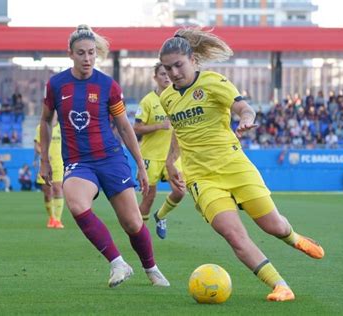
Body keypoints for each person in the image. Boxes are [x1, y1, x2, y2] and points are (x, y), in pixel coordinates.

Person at [159, 28, 325, 302]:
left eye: (179, 65)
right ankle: (280, 285)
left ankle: (294, 238)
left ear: (193, 60)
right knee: (233, 235)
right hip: (202, 177)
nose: (174, 73)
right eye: (168, 68)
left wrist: (247, 118)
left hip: (234, 166)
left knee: (274, 226)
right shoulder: (167, 98)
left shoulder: (214, 82)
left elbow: (243, 108)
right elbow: (179, 130)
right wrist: (171, 159)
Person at [39, 25, 169, 288]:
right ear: (70, 54)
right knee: (76, 204)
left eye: (91, 53)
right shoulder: (56, 85)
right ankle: (118, 263)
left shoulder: (107, 85)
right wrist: (43, 159)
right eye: (81, 53)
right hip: (79, 161)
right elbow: (44, 120)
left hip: (111, 158)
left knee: (132, 223)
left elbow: (123, 126)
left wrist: (141, 167)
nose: (87, 58)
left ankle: (151, 268)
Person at [133, 63, 185, 239]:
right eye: (162, 73)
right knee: (148, 198)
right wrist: (160, 126)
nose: (167, 76)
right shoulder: (148, 101)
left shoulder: (179, 98)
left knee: (180, 191)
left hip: (172, 155)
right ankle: (139, 237)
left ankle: (160, 215)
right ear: (155, 77)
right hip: (151, 156)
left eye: (168, 73)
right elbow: (136, 128)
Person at [34, 113, 65, 228]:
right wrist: (44, 154)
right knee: (47, 193)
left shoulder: (62, 128)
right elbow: (37, 145)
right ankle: (51, 217)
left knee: (58, 189)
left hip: (59, 164)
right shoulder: (40, 128)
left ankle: (57, 220)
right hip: (45, 164)